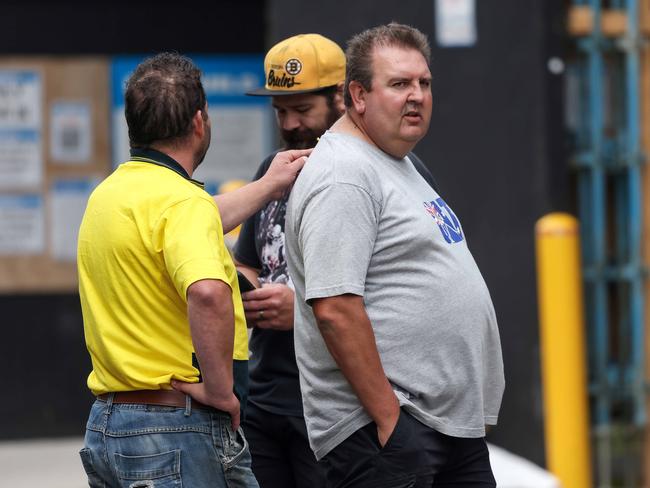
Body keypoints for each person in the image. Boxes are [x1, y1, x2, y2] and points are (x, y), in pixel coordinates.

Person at [285, 23, 505, 487]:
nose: (418, 96)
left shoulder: (392, 161)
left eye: (424, 83)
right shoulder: (344, 173)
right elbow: (335, 309)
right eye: (400, 83)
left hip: (437, 428)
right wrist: (389, 420)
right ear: (358, 96)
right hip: (386, 432)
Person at [77, 52, 309, 488]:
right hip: (174, 430)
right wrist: (221, 392)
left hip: (109, 426)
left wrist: (266, 186)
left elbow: (189, 223)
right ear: (200, 121)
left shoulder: (109, 195)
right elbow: (207, 292)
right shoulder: (182, 203)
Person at [235, 33, 441, 488]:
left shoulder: (384, 169)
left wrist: (302, 310)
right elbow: (251, 260)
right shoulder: (275, 168)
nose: (289, 124)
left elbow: (407, 291)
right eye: (280, 112)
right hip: (267, 399)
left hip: (336, 407)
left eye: (302, 110)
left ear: (344, 98)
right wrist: (246, 291)